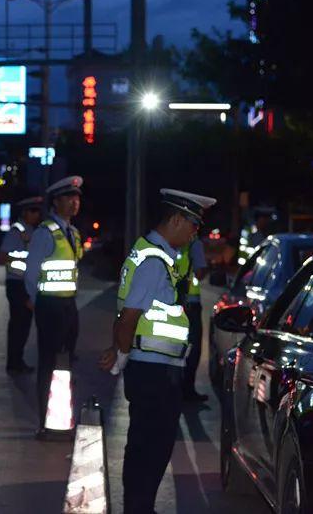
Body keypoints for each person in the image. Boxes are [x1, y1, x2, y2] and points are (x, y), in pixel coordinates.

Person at [99, 188, 216, 514]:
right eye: (194, 225)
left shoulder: (154, 255)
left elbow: (128, 313)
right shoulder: (153, 260)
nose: (195, 233)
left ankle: (139, 507)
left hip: (155, 367)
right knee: (150, 448)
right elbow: (130, 316)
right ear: (177, 219)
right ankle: (139, 508)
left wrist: (120, 348)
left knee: (148, 446)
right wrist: (122, 356)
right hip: (153, 371)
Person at [24, 176, 83, 434]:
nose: (75, 202)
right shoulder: (45, 233)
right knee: (48, 364)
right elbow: (31, 273)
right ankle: (44, 423)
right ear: (56, 202)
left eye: (77, 197)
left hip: (69, 305)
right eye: (69, 198)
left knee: (67, 363)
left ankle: (61, 418)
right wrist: (38, 304)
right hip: (49, 306)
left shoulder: (74, 233)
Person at [0, 195, 43, 374]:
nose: (36, 215)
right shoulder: (17, 231)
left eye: (38, 212)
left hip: (26, 283)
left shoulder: (31, 231)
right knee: (19, 325)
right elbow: (4, 255)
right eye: (33, 211)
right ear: (25, 213)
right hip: (16, 284)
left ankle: (18, 360)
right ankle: (14, 362)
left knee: (24, 325)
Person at [175, 237, 209, 402]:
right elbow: (200, 273)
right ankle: (187, 390)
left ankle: (174, 388)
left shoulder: (170, 240)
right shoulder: (195, 244)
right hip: (191, 304)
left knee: (173, 347)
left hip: (171, 301)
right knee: (193, 348)